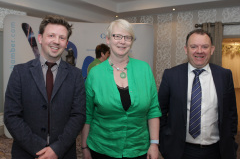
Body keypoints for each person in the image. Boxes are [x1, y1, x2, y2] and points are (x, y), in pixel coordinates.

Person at [4, 15, 86, 159]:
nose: (56, 41)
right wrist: (39, 148)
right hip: (27, 152)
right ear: (40, 38)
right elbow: (12, 116)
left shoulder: (76, 75)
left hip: (63, 152)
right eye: (51, 35)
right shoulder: (20, 72)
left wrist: (56, 149)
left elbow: (78, 116)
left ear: (66, 43)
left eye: (62, 37)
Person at [81, 19, 162, 159]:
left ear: (131, 41)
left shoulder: (144, 69)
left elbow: (153, 110)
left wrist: (154, 144)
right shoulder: (95, 73)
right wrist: (84, 147)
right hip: (102, 149)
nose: (122, 41)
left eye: (127, 37)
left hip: (139, 149)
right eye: (117, 36)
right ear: (108, 39)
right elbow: (88, 114)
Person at [158, 29, 238, 159]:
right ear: (186, 49)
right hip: (180, 151)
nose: (199, 51)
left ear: (212, 49)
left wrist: (231, 140)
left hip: (217, 151)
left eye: (205, 47)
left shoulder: (224, 75)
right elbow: (160, 111)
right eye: (193, 46)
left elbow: (231, 113)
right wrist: (164, 142)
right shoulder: (171, 75)